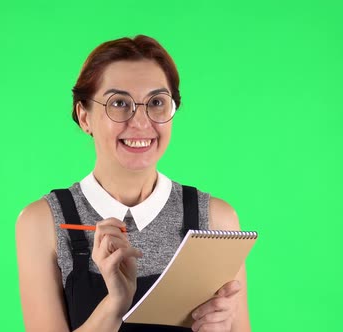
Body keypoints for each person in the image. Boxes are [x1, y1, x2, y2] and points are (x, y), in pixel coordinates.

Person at [15, 35, 250, 332]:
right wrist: (115, 304)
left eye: (156, 103)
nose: (141, 122)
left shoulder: (217, 220)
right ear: (84, 116)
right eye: (119, 103)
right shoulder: (44, 222)